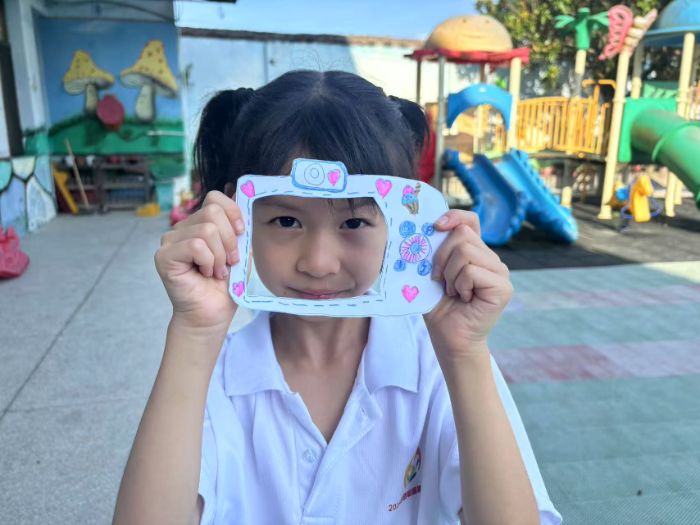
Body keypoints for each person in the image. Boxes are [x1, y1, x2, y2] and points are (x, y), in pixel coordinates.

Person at [113, 70, 561, 525]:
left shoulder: (440, 363)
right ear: (235, 213)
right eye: (286, 221)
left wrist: (465, 354)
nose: (319, 263)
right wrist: (193, 332)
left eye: (354, 223)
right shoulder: (208, 371)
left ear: (402, 219)